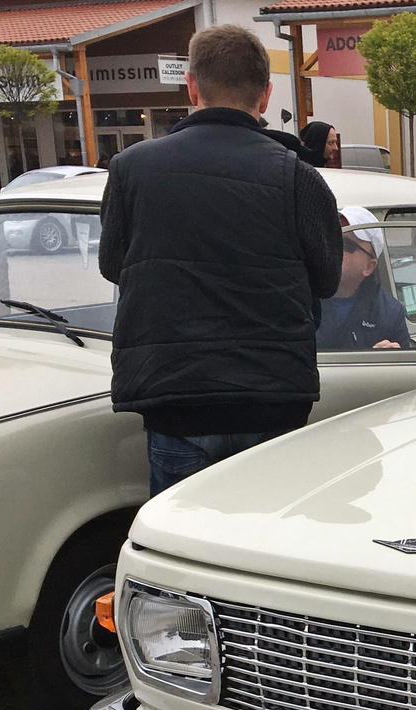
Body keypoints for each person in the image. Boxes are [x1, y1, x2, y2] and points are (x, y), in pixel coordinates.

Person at [100, 24, 343, 495]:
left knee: (185, 553)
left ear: (192, 87)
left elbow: (114, 265)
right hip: (274, 398)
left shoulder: (131, 169)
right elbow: (329, 278)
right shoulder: (297, 177)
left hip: (176, 399)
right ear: (266, 95)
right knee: (265, 553)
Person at [318, 206, 416, 352]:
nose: (334, 246)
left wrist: (380, 359)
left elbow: (405, 368)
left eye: (346, 244)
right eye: (331, 237)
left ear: (369, 266)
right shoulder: (298, 298)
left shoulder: (389, 312)